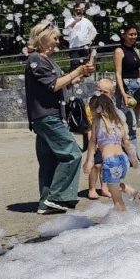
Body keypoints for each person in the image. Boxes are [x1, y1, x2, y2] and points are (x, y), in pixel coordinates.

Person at [24, 20, 95, 215]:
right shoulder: (36, 59)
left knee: (49, 161)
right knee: (72, 154)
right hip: (48, 117)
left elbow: (61, 83)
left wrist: (81, 75)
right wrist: (76, 71)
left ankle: (45, 204)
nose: (57, 41)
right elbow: (53, 85)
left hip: (48, 117)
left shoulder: (47, 61)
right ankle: (57, 198)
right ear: (43, 38)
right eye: (54, 38)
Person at [83, 94, 140, 212]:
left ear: (97, 109)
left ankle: (124, 220)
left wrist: (89, 161)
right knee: (114, 185)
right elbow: (126, 143)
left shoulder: (96, 121)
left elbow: (92, 142)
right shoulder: (118, 120)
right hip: (123, 160)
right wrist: (135, 160)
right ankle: (136, 194)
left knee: (117, 201)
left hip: (111, 163)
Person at [113, 24, 140, 163]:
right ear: (123, 35)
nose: (133, 37)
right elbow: (118, 73)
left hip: (137, 88)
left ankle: (127, 154)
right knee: (130, 124)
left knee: (135, 124)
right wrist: (123, 93)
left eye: (135, 34)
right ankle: (134, 157)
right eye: (131, 34)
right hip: (126, 89)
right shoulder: (119, 51)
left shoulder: (136, 50)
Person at [83, 78, 117, 200]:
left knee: (106, 164)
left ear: (111, 93)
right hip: (95, 137)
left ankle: (104, 188)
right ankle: (92, 189)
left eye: (105, 92)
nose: (101, 94)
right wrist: (93, 143)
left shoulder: (111, 104)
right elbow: (89, 127)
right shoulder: (92, 105)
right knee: (96, 165)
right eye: (99, 91)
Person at [64, 2, 97, 70]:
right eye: (76, 10)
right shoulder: (69, 20)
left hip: (84, 47)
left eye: (80, 10)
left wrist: (90, 40)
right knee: (75, 67)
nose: (78, 11)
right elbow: (66, 31)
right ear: (74, 11)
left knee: (85, 66)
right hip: (73, 47)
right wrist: (75, 21)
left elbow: (94, 32)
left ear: (83, 10)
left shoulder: (87, 21)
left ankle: (85, 77)